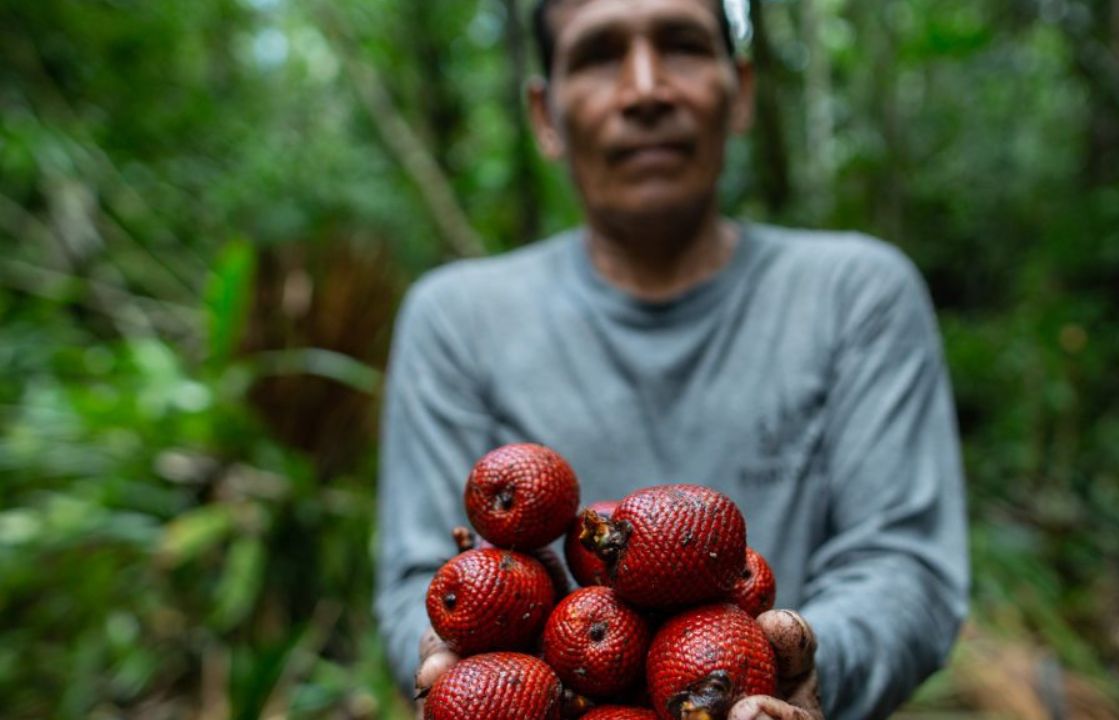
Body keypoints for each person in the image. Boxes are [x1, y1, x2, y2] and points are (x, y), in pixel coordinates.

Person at [374, 0, 969, 717]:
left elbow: (905, 565)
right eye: (598, 55)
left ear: (740, 90)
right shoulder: (457, 318)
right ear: (545, 115)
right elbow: (418, 575)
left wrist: (798, 670)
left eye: (682, 45)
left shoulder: (856, 294)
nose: (646, 89)